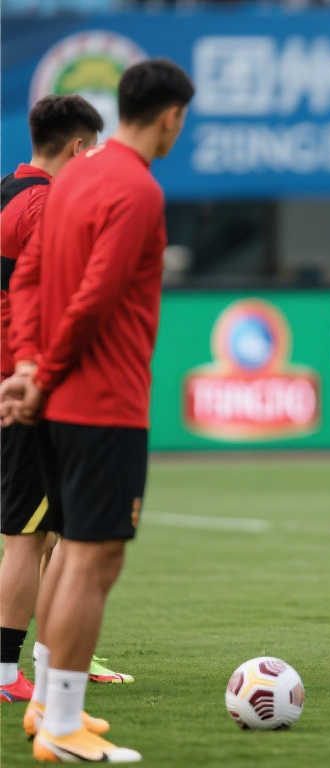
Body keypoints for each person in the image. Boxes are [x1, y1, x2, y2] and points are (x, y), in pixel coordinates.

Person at [1, 58, 194, 762]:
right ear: (171, 116)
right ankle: (61, 725)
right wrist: (44, 372)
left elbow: (26, 278)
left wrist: (29, 365)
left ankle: (48, 708)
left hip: (58, 400)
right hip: (104, 401)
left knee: (70, 552)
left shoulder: (75, 177)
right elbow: (97, 299)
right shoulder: (137, 189)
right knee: (90, 559)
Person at [1, 95, 103, 704]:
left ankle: (59, 654)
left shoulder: (7, 192)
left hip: (17, 380)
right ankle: (6, 672)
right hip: (28, 389)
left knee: (55, 531)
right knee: (28, 533)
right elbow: (53, 299)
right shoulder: (43, 206)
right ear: (78, 147)